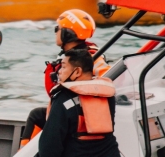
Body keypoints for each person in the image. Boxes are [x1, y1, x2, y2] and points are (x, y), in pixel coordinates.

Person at [36, 50, 125, 157]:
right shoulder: (107, 95)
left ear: (77, 72)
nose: (59, 71)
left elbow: (51, 142)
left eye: (63, 67)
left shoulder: (64, 98)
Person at [21, 9, 110, 146]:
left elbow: (107, 75)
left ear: (67, 33)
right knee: (40, 114)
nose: (55, 32)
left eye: (58, 29)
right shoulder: (72, 55)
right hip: (72, 108)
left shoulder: (90, 57)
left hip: (79, 113)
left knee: (36, 115)